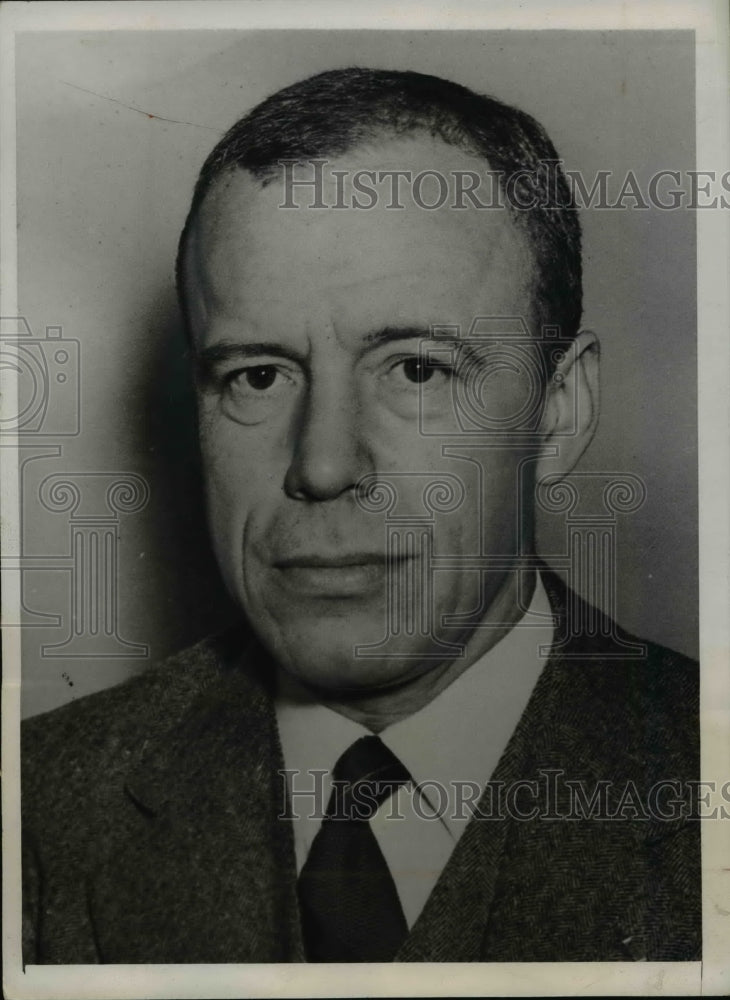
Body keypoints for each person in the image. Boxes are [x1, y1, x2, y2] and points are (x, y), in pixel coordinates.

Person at [21, 68, 700, 964]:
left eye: (416, 370)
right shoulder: (35, 813)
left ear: (559, 408)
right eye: (257, 375)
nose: (324, 465)